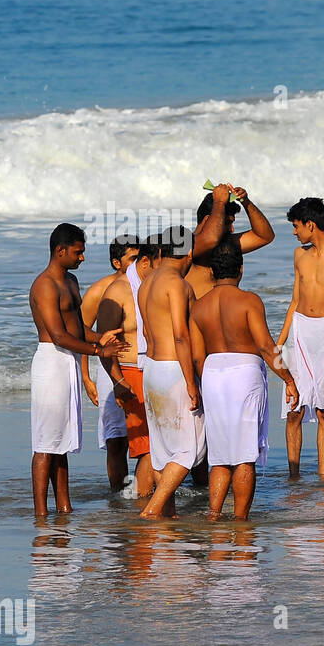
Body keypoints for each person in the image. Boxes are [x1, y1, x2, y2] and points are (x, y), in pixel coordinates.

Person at [190, 240, 299, 519]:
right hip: (245, 371)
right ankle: (240, 520)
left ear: (212, 273)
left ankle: (214, 513)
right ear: (240, 269)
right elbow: (265, 346)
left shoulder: (199, 307)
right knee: (244, 454)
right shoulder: (249, 300)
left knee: (220, 455)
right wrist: (288, 379)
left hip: (212, 373)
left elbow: (197, 356)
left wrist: (205, 383)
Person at [137, 191, 229, 517]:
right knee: (191, 448)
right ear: (189, 252)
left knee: (163, 450)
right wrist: (193, 382)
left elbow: (149, 332)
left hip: (151, 369)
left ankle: (168, 514)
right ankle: (152, 510)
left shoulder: (147, 282)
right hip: (174, 371)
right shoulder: (177, 284)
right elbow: (180, 334)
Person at [27, 223, 127, 516]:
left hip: (68, 359)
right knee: (46, 441)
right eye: (78, 252)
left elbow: (77, 328)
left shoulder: (70, 281)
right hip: (51, 360)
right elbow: (58, 335)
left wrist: (100, 337)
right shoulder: (44, 284)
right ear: (60, 251)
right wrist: (99, 351)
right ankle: (41, 514)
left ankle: (64, 505)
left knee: (62, 440)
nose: (82, 258)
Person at [275, 197, 324, 477]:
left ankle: (323, 476)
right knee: (294, 407)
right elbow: (294, 300)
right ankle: (293, 475)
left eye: (297, 226)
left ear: (311, 224)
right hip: (300, 330)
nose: (295, 232)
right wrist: (280, 342)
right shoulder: (300, 255)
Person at [98, 237, 161, 498]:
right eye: (159, 265)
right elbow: (103, 341)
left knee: (157, 443)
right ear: (145, 261)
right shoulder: (117, 291)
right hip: (131, 370)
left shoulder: (154, 284)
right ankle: (140, 506)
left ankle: (145, 500)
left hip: (156, 369)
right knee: (142, 445)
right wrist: (117, 381)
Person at [79, 234, 139, 489]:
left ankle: (144, 490)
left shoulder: (145, 284)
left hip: (141, 366)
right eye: (132, 259)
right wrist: (86, 377)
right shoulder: (99, 290)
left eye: (140, 257)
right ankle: (118, 495)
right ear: (117, 262)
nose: (137, 263)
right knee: (116, 439)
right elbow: (79, 331)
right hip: (107, 369)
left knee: (144, 434)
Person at [186, 185, 275, 299]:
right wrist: (219, 203)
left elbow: (265, 236)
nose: (232, 229)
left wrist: (245, 202)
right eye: (227, 223)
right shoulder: (185, 246)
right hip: (195, 316)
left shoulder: (224, 244)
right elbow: (210, 240)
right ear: (208, 220)